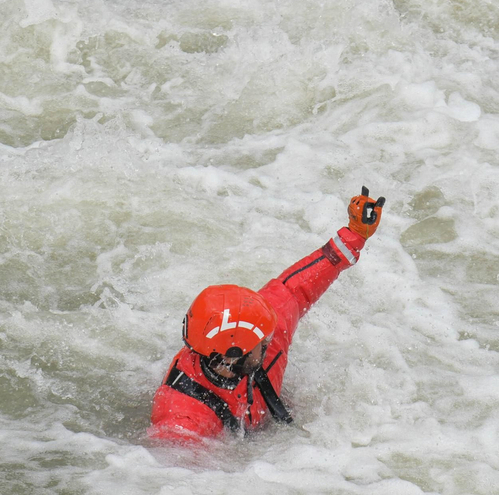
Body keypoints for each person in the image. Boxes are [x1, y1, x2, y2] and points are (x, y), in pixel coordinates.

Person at [148, 187, 387, 444]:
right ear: (232, 356)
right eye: (262, 343)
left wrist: (355, 235)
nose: (270, 339)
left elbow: (297, 290)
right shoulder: (182, 423)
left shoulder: (260, 323)